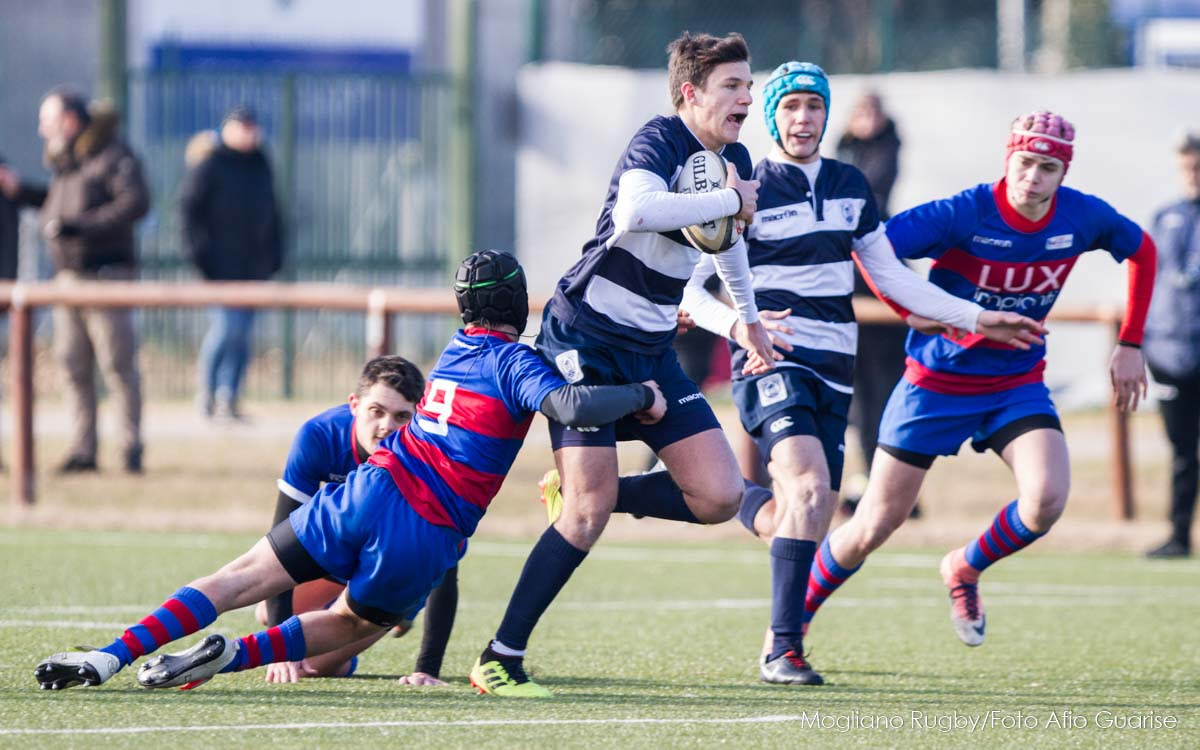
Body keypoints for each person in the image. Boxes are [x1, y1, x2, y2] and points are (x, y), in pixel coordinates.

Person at [34, 249, 667, 692]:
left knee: (234, 578)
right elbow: (568, 403)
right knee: (349, 624)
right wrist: (642, 394)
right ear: (517, 308)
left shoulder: (454, 351)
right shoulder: (514, 362)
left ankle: (108, 654)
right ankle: (232, 657)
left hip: (373, 486)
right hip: (425, 528)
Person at [680, 62, 1045, 685]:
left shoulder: (851, 183)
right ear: (772, 116)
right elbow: (688, 291)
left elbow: (893, 276)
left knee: (807, 509)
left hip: (834, 366)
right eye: (790, 107)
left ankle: (716, 496)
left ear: (827, 115)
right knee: (811, 485)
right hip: (771, 360)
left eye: (814, 107)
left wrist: (976, 318)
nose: (803, 118)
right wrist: (741, 327)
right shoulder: (739, 182)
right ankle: (782, 650)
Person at [468, 31, 779, 699]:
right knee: (585, 514)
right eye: (733, 86)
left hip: (650, 347)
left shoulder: (736, 157)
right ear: (691, 93)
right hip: (585, 338)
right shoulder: (658, 141)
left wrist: (745, 318)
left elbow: (726, 246)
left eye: (749, 85)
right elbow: (639, 209)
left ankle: (596, 492)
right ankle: (499, 657)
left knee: (720, 497)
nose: (747, 98)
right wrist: (732, 201)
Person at [800, 111, 1156, 651]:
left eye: (1047, 168)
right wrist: (913, 308)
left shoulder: (1082, 218)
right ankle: (791, 622)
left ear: (1064, 174)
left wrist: (1130, 343)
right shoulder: (965, 213)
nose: (1032, 177)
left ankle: (964, 568)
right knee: (874, 524)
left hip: (1015, 384)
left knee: (1046, 501)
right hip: (934, 384)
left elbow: (1143, 251)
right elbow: (873, 247)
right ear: (1008, 158)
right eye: (1025, 162)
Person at [255, 354, 461, 686]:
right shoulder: (318, 436)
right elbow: (280, 542)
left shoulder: (432, 461)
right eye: (376, 411)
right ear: (354, 405)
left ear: (419, 416)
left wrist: (427, 668)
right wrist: (283, 651)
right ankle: (365, 621)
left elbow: (447, 568)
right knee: (269, 614)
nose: (386, 427)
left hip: (392, 568)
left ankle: (399, 608)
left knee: (316, 665)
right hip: (343, 555)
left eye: (402, 417)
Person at [0, 88, 149, 474]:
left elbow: (134, 203)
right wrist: (23, 192)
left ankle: (130, 450)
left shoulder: (112, 154)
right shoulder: (68, 161)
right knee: (73, 365)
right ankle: (84, 451)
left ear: (69, 120)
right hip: (68, 278)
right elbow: (57, 206)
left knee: (117, 365)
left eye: (47, 120)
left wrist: (78, 227)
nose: (41, 129)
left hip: (106, 276)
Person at [180, 106, 285, 420]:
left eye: (253, 127)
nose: (250, 133)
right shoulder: (211, 165)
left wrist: (274, 256)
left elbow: (274, 214)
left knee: (244, 336)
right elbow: (187, 210)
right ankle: (207, 393)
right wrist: (200, 256)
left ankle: (230, 397)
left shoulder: (261, 165)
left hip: (254, 270)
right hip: (220, 268)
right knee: (227, 329)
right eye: (243, 127)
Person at [835, 91, 909, 512]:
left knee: (883, 393)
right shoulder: (841, 151)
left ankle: (887, 485)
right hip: (848, 279)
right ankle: (867, 482)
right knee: (858, 398)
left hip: (872, 277)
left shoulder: (886, 151)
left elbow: (870, 199)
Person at [1144, 130, 1200, 559]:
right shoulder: (1165, 215)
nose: (1193, 175)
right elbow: (1153, 282)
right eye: (1187, 168)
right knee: (1182, 449)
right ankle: (1179, 535)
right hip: (1170, 350)